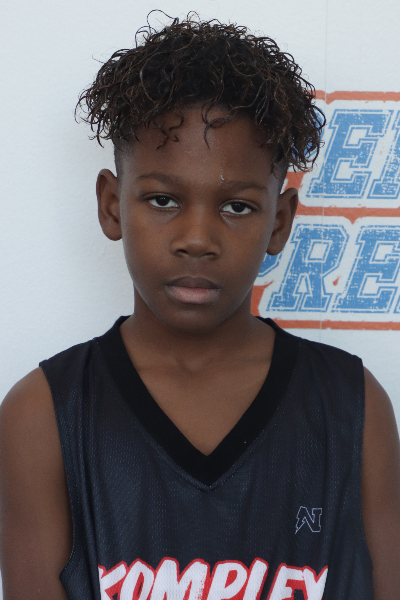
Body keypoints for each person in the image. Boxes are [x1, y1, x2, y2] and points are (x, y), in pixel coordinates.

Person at [0, 14, 399, 600]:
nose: (196, 238)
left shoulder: (352, 407)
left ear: (279, 222)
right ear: (111, 205)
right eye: (163, 199)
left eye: (236, 207)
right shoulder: (42, 416)